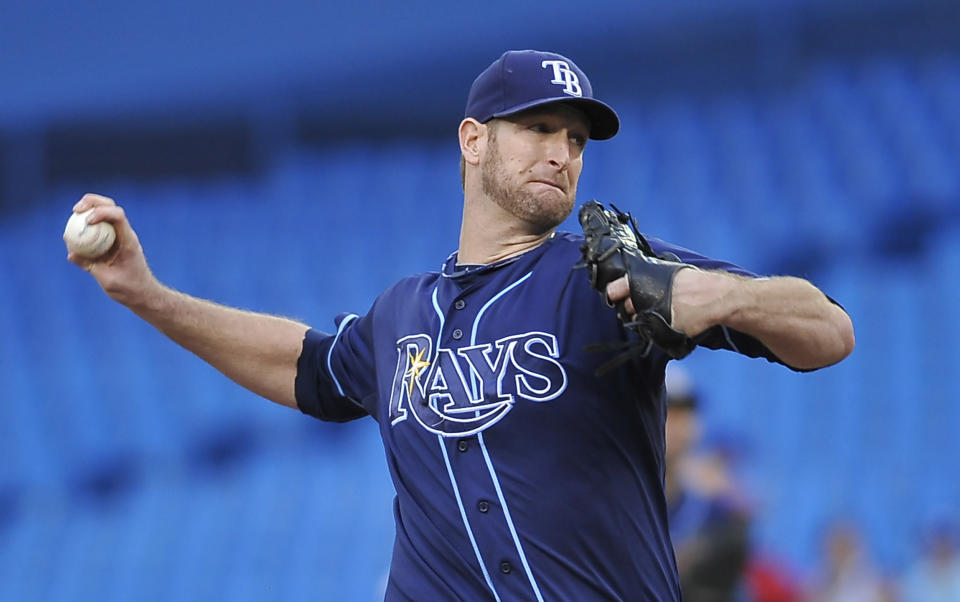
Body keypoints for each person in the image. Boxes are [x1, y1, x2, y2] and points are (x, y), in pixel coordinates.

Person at [67, 50, 855, 601]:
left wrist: (720, 297)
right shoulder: (400, 314)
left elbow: (828, 331)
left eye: (575, 139)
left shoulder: (608, 274)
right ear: (473, 140)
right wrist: (145, 293)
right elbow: (303, 366)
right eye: (538, 128)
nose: (563, 152)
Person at [664, 365, 752, 602]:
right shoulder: (614, 492)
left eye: (684, 413)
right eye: (667, 411)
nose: (677, 425)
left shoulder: (711, 498)